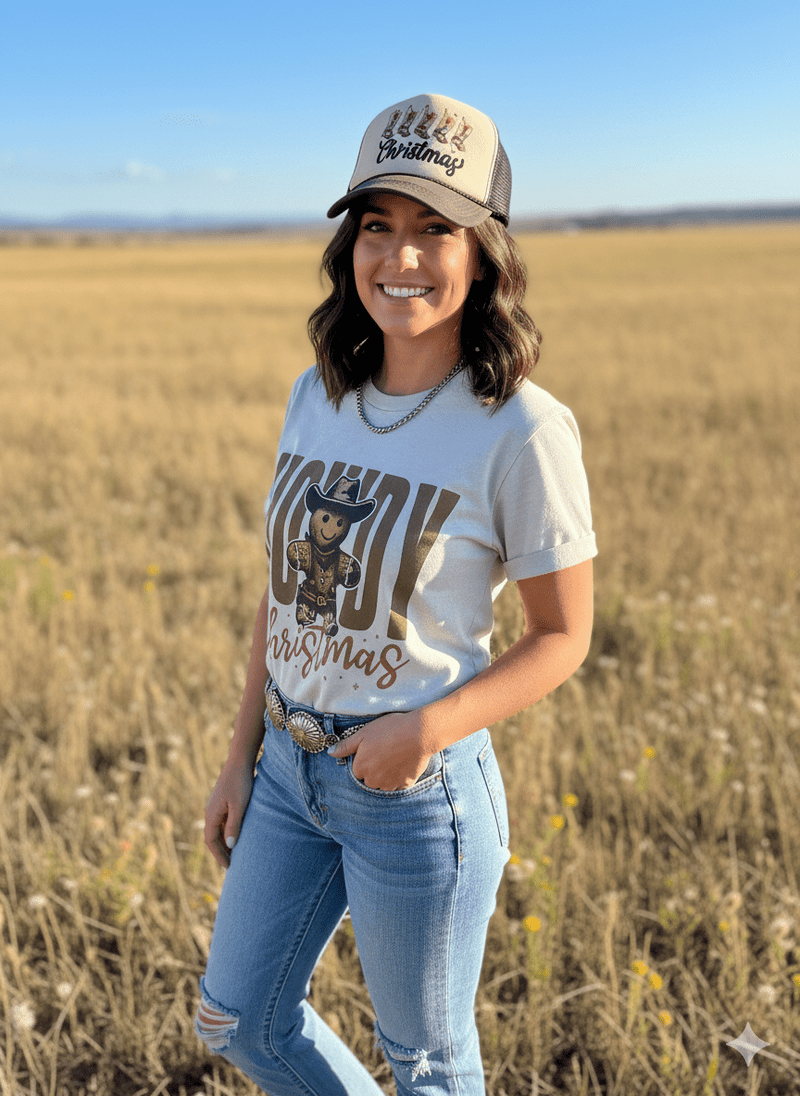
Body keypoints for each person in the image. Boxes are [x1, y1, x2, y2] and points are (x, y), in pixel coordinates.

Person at [195, 92, 597, 1096]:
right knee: (236, 1015)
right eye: (377, 226)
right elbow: (284, 594)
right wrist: (240, 755)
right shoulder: (316, 392)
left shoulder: (519, 430)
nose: (399, 258)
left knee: (426, 1062)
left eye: (432, 229)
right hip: (289, 772)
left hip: (414, 795)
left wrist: (421, 733)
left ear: (482, 251)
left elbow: (561, 637)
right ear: (350, 246)